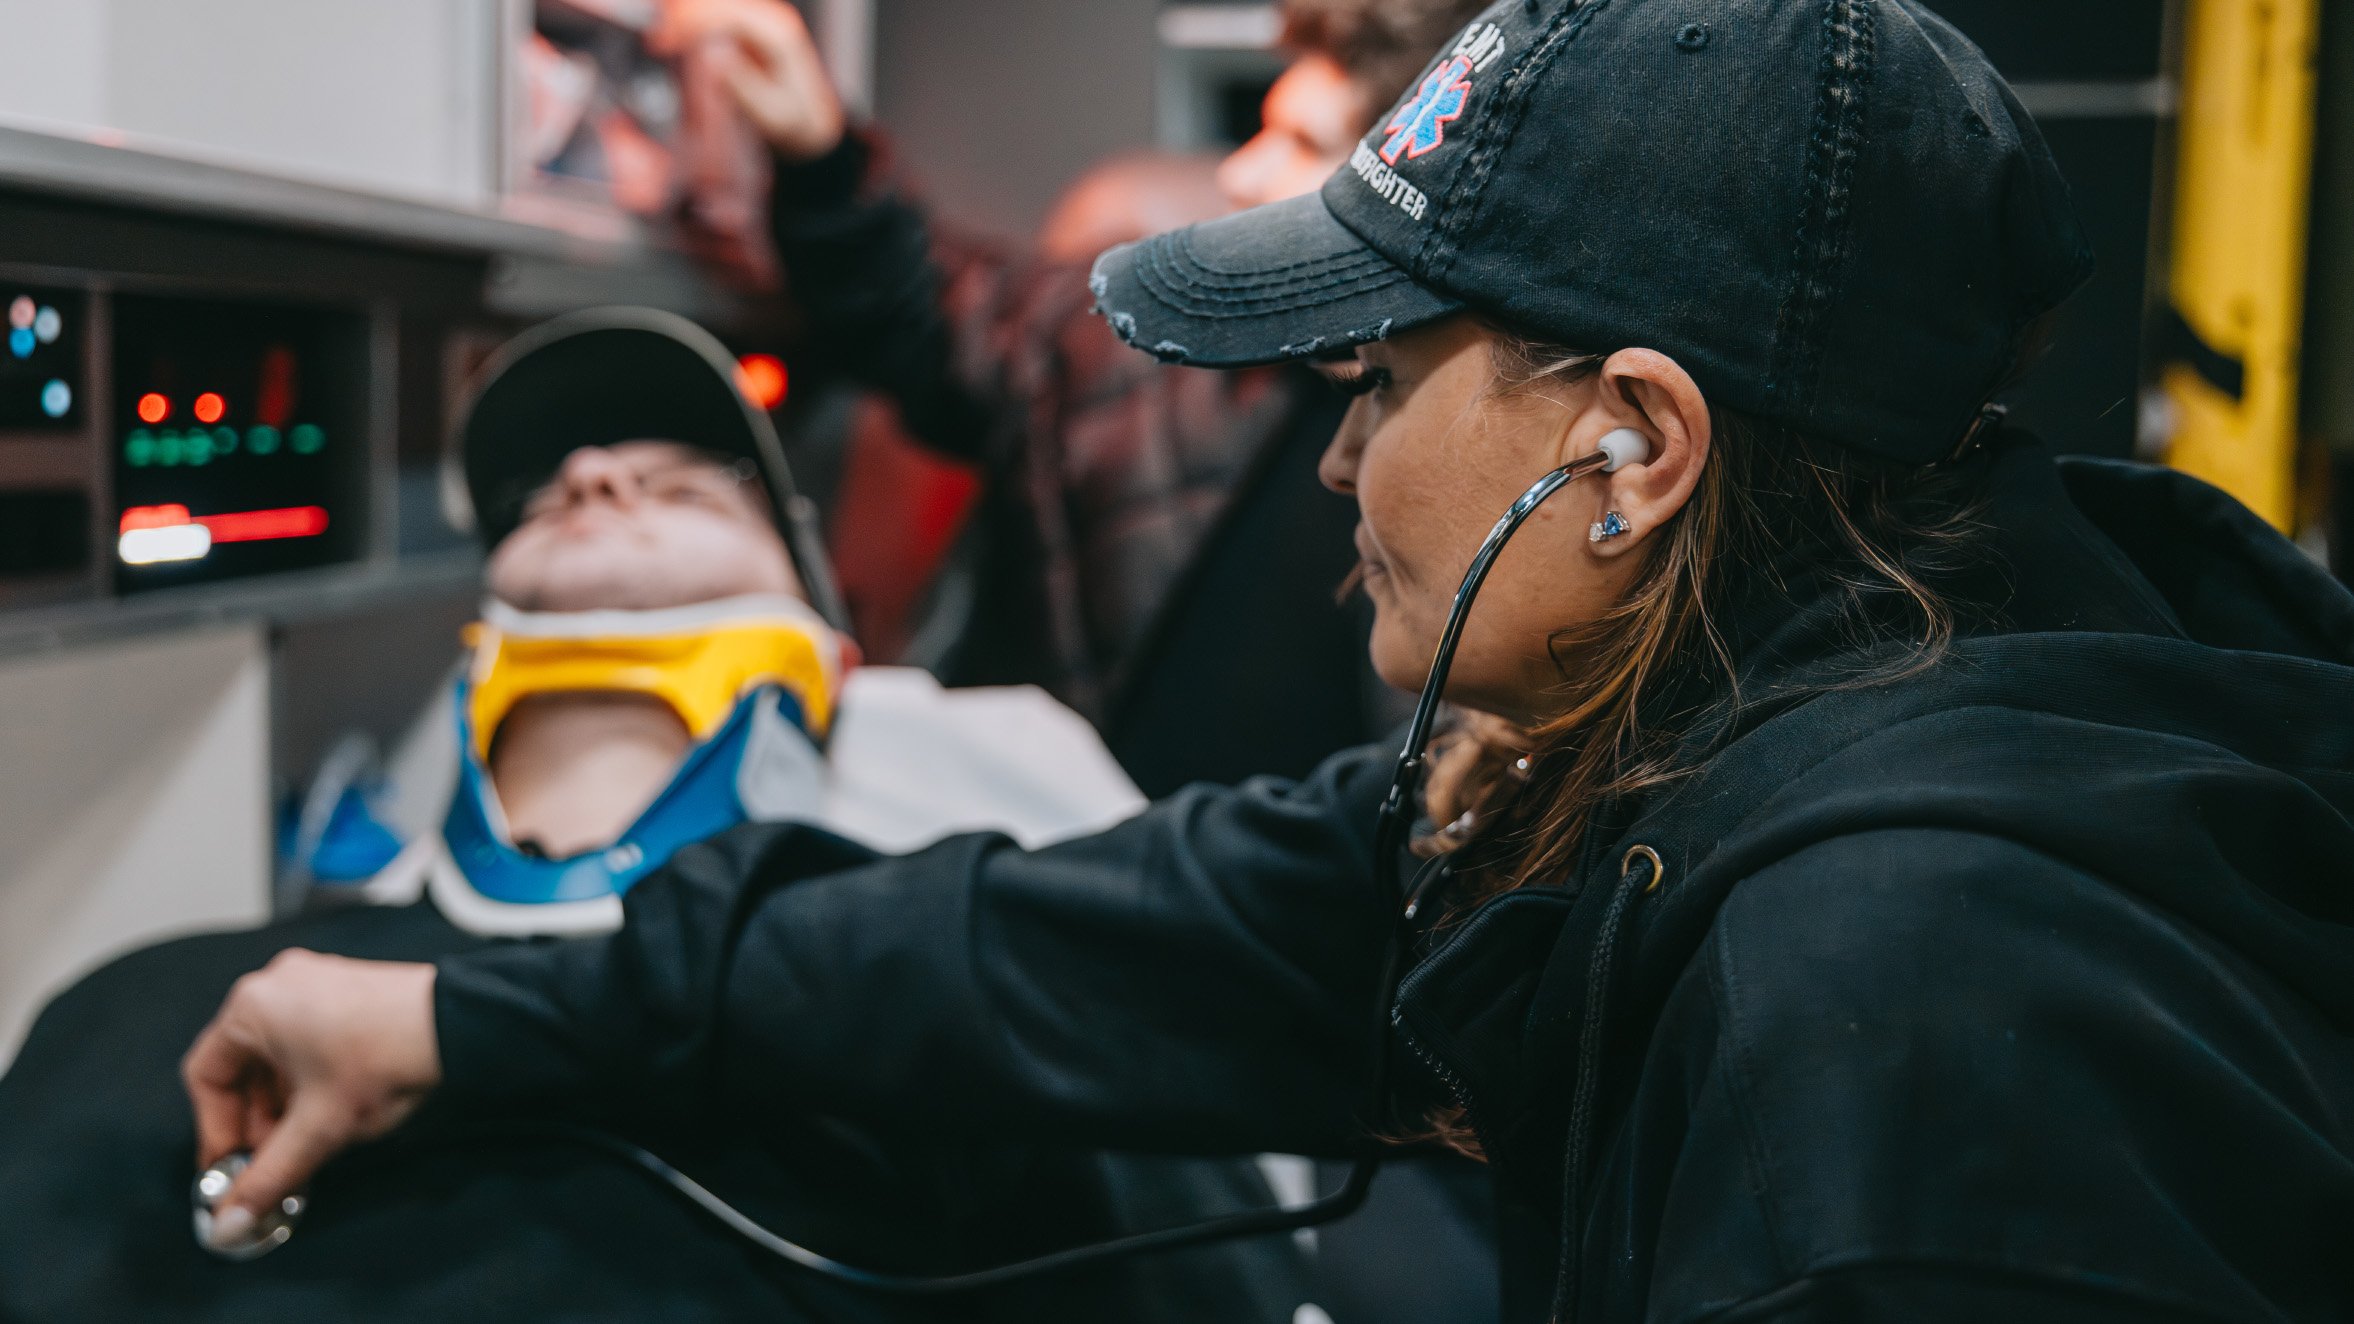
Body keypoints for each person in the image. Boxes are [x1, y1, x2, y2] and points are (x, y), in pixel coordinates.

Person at [185, 3, 2354, 1321]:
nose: (1332, 462)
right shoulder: (1693, 756)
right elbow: (1081, 943)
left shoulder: (1923, 1033)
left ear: (1633, 447)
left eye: (1382, 380)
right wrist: (463, 1014)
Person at [0, 310, 1319, 1324]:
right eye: (545, 497)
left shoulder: (975, 893)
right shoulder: (158, 1011)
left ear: (833, 651)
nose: (587, 474)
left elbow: (1235, 1190)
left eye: (687, 486)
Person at [659, 0, 1493, 798]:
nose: (1241, 171)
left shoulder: (1492, 473)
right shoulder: (1154, 355)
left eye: (1303, 143)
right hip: (1034, 888)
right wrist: (819, 151)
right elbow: (926, 309)